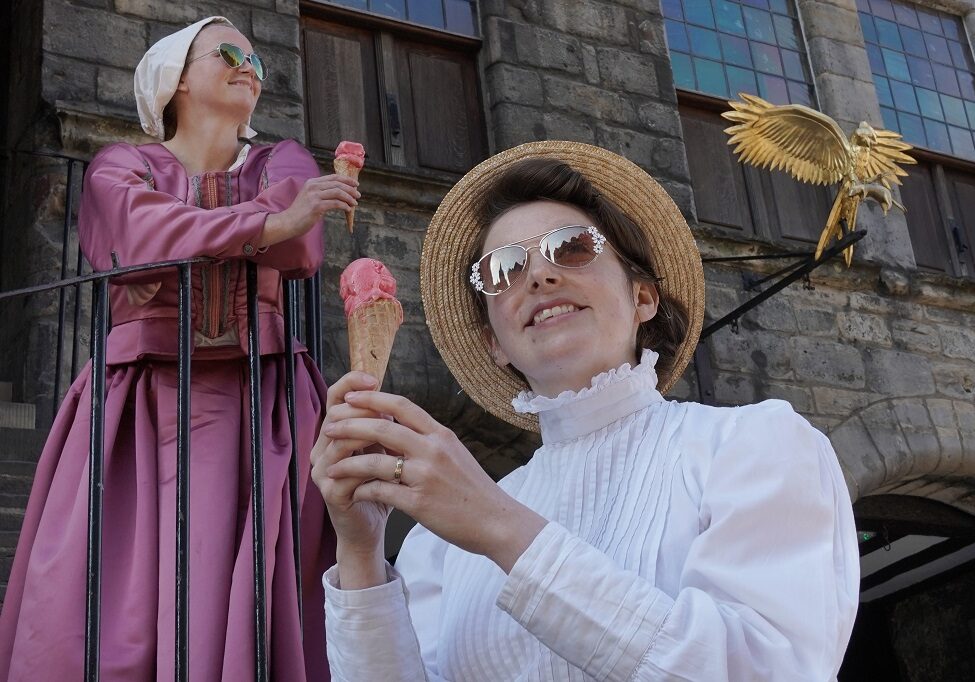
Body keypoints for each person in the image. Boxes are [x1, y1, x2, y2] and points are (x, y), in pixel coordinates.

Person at [312, 141, 860, 680]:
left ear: (644, 298)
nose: (539, 276)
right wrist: (360, 550)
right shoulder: (436, 545)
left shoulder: (754, 446)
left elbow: (766, 670)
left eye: (571, 246)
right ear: (494, 343)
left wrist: (498, 526)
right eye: (501, 269)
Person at [0, 16, 355, 680]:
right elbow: (133, 238)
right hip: (140, 411)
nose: (249, 67)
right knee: (122, 603)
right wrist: (268, 222)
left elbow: (303, 247)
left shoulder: (284, 159)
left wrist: (257, 227)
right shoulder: (119, 163)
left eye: (258, 62)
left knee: (270, 588)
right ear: (176, 77)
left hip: (266, 404)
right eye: (227, 53)